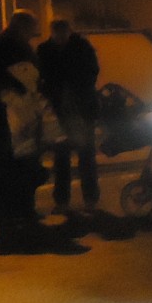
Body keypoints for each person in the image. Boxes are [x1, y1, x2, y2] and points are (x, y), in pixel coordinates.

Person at [0, 10, 44, 241]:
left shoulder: (19, 46)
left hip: (19, 113)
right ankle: (6, 218)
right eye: (31, 29)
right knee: (5, 164)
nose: (33, 34)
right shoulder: (1, 46)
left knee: (24, 161)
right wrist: (14, 84)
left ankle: (23, 211)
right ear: (21, 27)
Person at [37, 18, 101, 214]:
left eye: (62, 34)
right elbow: (92, 72)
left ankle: (74, 200)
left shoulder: (46, 50)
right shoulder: (81, 47)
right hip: (69, 110)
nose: (60, 38)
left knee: (76, 156)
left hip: (74, 109)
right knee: (71, 157)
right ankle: (78, 200)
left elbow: (40, 78)